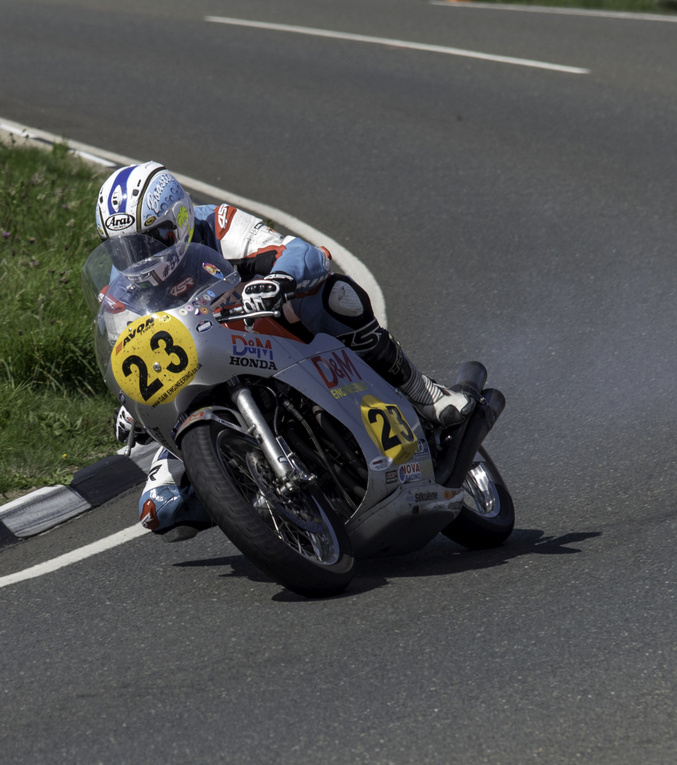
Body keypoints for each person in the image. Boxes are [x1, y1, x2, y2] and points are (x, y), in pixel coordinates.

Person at [94, 162, 480, 540]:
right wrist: (133, 403)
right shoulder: (121, 287)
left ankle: (421, 392)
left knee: (336, 296)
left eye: (151, 240)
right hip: (195, 376)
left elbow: (303, 252)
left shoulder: (217, 224)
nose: (139, 257)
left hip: (262, 329)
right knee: (162, 512)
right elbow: (130, 350)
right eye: (122, 249)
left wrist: (279, 278)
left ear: (180, 218)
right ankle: (257, 498)